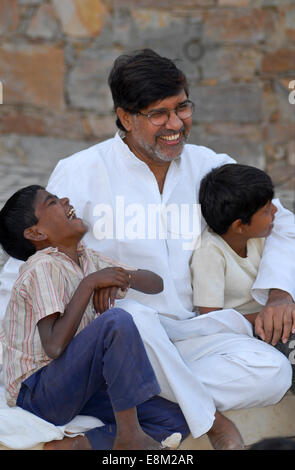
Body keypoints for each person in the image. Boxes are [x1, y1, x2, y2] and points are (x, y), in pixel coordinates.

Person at [0, 48, 294, 449]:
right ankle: (209, 421)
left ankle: (132, 401)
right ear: (125, 117)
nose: (176, 124)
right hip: (123, 337)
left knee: (272, 371)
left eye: (182, 107)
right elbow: (26, 265)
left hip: (191, 335)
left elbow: (284, 223)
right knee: (133, 315)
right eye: (159, 114)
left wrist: (280, 293)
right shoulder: (82, 171)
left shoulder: (210, 165)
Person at [0, 185, 190, 450]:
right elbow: (53, 346)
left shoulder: (87, 257)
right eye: (52, 202)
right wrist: (90, 284)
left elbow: (155, 283)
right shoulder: (42, 266)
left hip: (77, 384)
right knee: (116, 321)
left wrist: (118, 277)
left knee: (174, 419)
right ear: (36, 233)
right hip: (37, 392)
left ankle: (79, 445)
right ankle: (130, 436)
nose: (66, 199)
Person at [191, 164, 295, 392]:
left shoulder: (260, 236)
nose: (276, 212)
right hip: (247, 334)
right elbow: (211, 321)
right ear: (240, 225)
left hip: (273, 320)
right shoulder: (210, 252)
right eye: (267, 210)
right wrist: (264, 317)